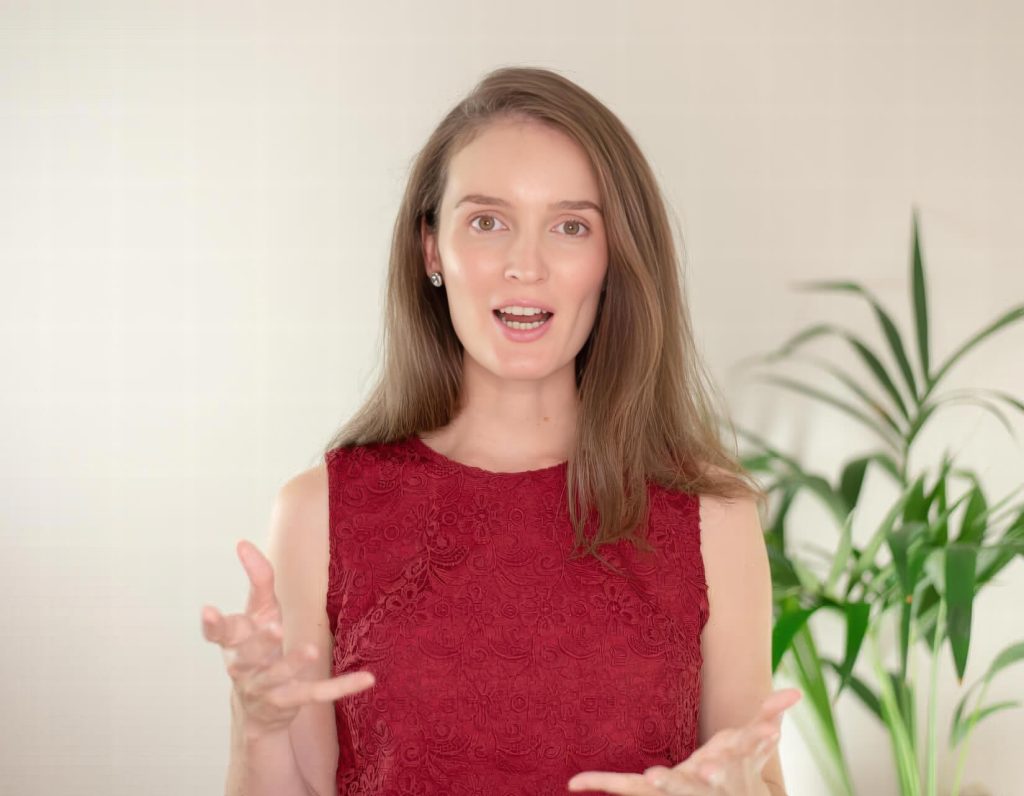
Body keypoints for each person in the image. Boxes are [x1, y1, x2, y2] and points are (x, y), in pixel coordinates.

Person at [202, 65, 802, 796]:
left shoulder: (713, 518)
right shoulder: (318, 512)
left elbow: (749, 776)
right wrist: (255, 726)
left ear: (612, 261)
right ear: (431, 250)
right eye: (488, 221)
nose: (526, 265)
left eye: (571, 226)